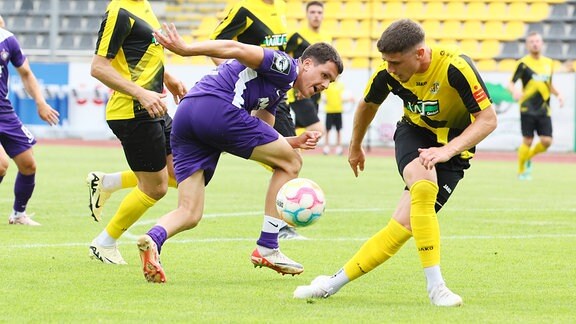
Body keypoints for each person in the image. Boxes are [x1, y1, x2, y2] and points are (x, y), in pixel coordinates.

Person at [293, 19, 497, 307]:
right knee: (425, 187)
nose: (389, 69)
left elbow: (488, 119)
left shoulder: (455, 67)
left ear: (420, 54)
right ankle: (437, 288)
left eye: (395, 62)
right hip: (414, 133)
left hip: (454, 150)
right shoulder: (387, 72)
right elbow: (367, 105)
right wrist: (355, 147)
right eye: (386, 62)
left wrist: (447, 151)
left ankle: (330, 284)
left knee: (401, 227)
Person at [135, 23, 343, 283]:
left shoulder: (278, 91)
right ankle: (268, 245)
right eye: (324, 75)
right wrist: (186, 49)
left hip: (188, 116)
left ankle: (153, 240)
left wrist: (295, 140)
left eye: (330, 82)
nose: (325, 84)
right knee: (292, 164)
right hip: (217, 108)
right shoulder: (286, 66)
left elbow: (264, 134)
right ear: (308, 63)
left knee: (190, 212)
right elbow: (236, 48)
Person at [87, 0, 187, 265]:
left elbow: (140, 55)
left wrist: (169, 78)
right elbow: (98, 67)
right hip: (132, 111)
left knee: (179, 174)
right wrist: (141, 93)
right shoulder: (118, 10)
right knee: (155, 188)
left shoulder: (142, 5)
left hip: (154, 106)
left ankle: (107, 183)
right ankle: (105, 242)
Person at [209, 0, 302, 240]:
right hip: (251, 93)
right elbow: (215, 44)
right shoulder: (244, 8)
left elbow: (280, 52)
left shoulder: (280, 7)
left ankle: (279, 224)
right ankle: (279, 226)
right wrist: (234, 79)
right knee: (289, 160)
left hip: (276, 95)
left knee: (289, 159)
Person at [0, 17, 60, 225]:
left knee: (28, 164)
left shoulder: (8, 40)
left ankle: (18, 214)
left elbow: (26, 73)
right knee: (1, 165)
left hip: (4, 111)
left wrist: (40, 102)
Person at [507, 32, 564, 181]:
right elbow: (511, 83)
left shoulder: (549, 63)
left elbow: (548, 84)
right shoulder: (523, 63)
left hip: (544, 108)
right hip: (527, 108)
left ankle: (527, 157)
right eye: (532, 41)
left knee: (547, 141)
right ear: (527, 45)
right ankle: (521, 171)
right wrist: (515, 91)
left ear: (542, 43)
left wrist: (558, 95)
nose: (535, 44)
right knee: (528, 140)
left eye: (537, 41)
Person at [285, 1, 332, 135]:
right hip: (298, 92)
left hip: (315, 92)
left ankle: (289, 150)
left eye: (319, 12)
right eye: (312, 12)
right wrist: (293, 85)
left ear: (323, 15)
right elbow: (285, 60)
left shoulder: (326, 38)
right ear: (306, 15)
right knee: (317, 130)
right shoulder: (297, 36)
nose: (316, 16)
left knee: (300, 132)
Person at [322, 79, 353, 155]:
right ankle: (326, 147)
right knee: (327, 130)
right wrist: (324, 100)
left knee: (338, 130)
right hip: (329, 111)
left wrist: (349, 100)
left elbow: (343, 98)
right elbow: (323, 97)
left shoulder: (341, 86)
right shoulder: (327, 85)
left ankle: (339, 148)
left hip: (338, 110)